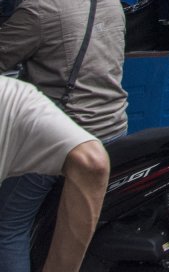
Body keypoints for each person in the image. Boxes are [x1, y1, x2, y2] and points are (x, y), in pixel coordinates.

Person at [0, 0, 127, 272]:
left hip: (63, 141)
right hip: (114, 128)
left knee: (7, 226)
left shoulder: (39, 10)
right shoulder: (109, 0)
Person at [0, 76, 109, 272]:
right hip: (109, 124)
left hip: (78, 126)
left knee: (9, 226)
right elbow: (91, 162)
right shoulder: (10, 95)